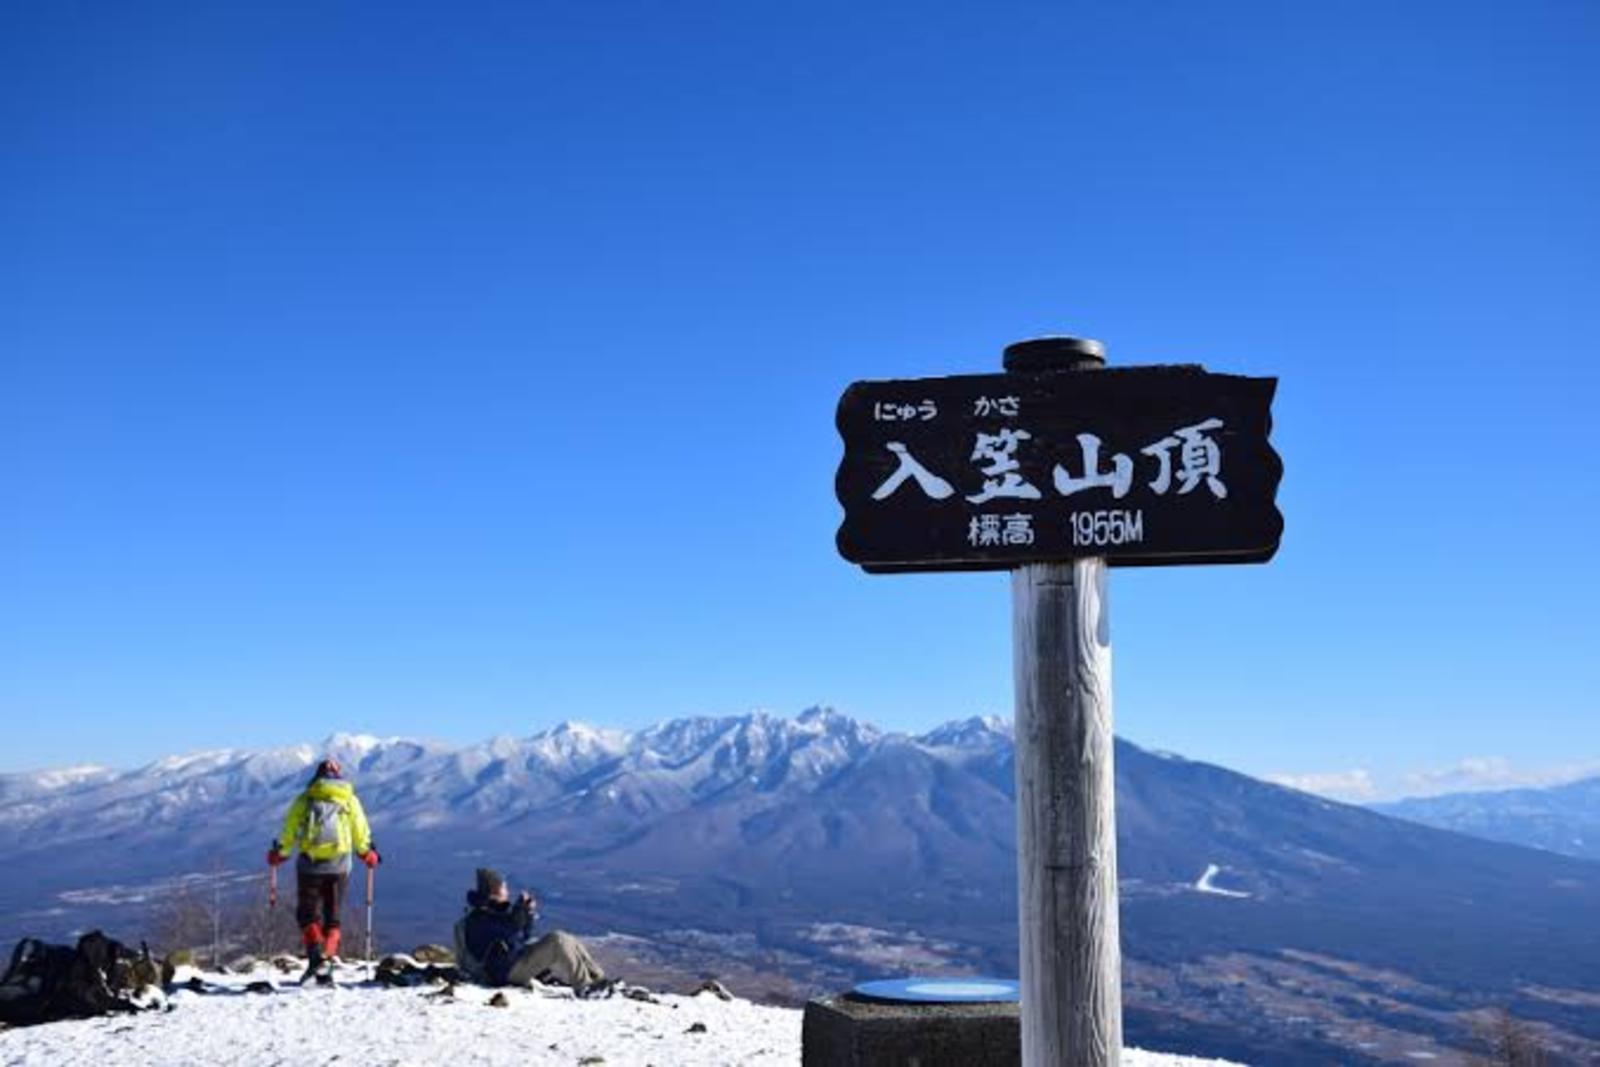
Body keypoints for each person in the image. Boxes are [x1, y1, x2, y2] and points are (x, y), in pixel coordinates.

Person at [266, 757, 379, 981]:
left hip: (310, 865)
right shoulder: (349, 799)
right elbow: (360, 829)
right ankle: (326, 964)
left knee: (307, 914)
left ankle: (315, 958)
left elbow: (290, 830)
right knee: (333, 916)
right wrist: (366, 853)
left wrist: (280, 854)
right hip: (340, 865)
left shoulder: (305, 799)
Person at [453, 868, 607, 994]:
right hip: (504, 973)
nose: (507, 891)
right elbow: (511, 931)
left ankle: (598, 980)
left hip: (510, 963)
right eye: (504, 887)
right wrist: (521, 911)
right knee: (558, 939)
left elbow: (522, 936)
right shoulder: (481, 918)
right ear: (495, 891)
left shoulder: (491, 912)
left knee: (568, 939)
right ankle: (585, 988)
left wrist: (528, 915)